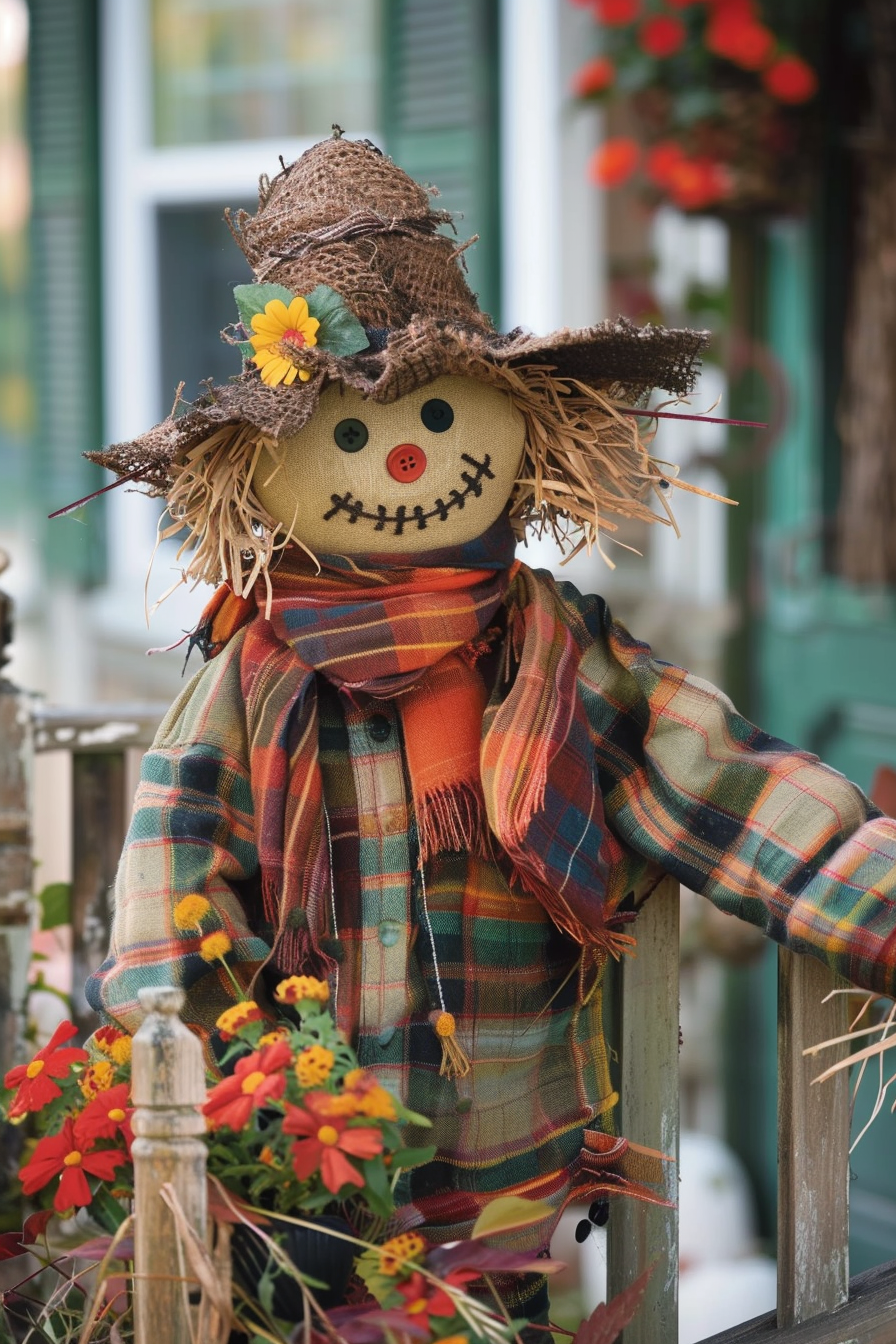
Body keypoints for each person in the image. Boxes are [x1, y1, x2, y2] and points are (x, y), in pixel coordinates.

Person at [85, 132, 896, 1321]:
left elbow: (721, 783)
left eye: (435, 414)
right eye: (350, 433)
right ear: (264, 468)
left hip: (508, 1186)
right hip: (306, 1188)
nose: (408, 456)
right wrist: (228, 1112)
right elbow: (171, 892)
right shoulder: (254, 675)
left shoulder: (557, 653)